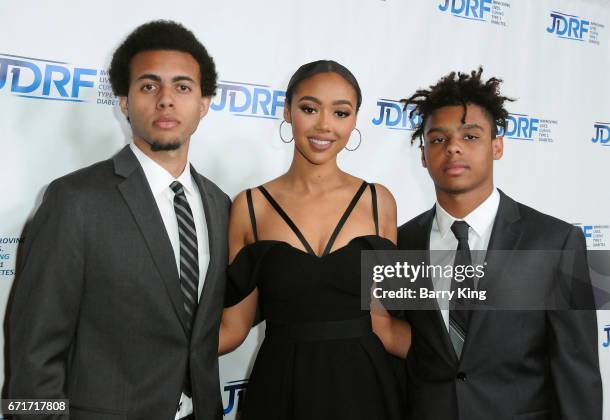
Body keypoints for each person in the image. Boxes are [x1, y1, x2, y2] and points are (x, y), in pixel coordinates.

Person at [8, 20, 230, 420]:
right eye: (149, 86)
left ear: (204, 103)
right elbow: (33, 348)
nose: (166, 100)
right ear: (124, 102)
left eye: (182, 87)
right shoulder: (74, 201)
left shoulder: (220, 205)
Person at [397, 67, 602, 420]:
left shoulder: (557, 242)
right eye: (437, 139)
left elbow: (577, 373)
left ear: (497, 146)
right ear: (422, 154)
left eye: (470, 136)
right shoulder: (400, 243)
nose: (453, 148)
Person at [218, 60, 410, 420]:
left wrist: (469, 363)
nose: (324, 125)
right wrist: (151, 344)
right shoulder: (250, 206)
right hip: (280, 389)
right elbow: (233, 329)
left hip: (365, 388)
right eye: (309, 108)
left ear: (354, 121)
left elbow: (384, 325)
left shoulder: (378, 201)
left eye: (341, 112)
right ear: (288, 112)